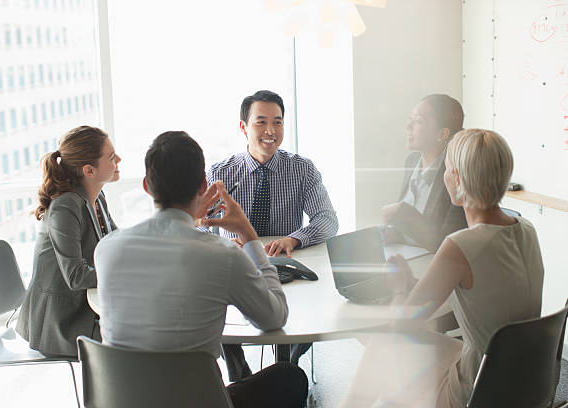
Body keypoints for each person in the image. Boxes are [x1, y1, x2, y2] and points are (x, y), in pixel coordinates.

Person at [94, 131, 308, 408]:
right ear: (203, 185)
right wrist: (248, 234)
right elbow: (273, 317)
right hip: (198, 400)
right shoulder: (223, 255)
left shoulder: (107, 249)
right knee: (289, 376)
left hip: (123, 399)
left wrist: (192, 221)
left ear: (147, 186)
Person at [343, 129, 544, 407]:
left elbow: (404, 324)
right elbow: (490, 293)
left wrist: (401, 289)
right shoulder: (526, 229)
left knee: (383, 343)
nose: (444, 176)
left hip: (480, 389)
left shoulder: (461, 245)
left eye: (447, 169)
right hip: (528, 378)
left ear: (458, 179)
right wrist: (416, 284)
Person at [206, 89, 339, 376]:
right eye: (261, 122)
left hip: (286, 264)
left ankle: (287, 365)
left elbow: (328, 220)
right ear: (243, 127)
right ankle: (239, 372)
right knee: (213, 308)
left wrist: (295, 238)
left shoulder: (302, 169)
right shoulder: (220, 174)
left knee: (310, 307)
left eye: (278, 122)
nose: (271, 131)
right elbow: (198, 225)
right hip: (235, 266)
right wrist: (229, 244)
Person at [16, 126, 120, 357]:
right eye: (111, 157)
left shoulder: (97, 197)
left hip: (83, 308)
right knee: (139, 337)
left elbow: (117, 242)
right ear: (89, 170)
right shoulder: (66, 206)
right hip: (62, 321)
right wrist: (125, 273)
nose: (119, 160)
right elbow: (76, 276)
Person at [382, 94, 467, 251]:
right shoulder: (412, 161)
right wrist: (396, 233)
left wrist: (404, 213)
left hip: (436, 264)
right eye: (410, 119)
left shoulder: (456, 175)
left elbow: (447, 243)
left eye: (419, 121)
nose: (408, 127)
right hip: (406, 255)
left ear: (442, 134)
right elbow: (406, 228)